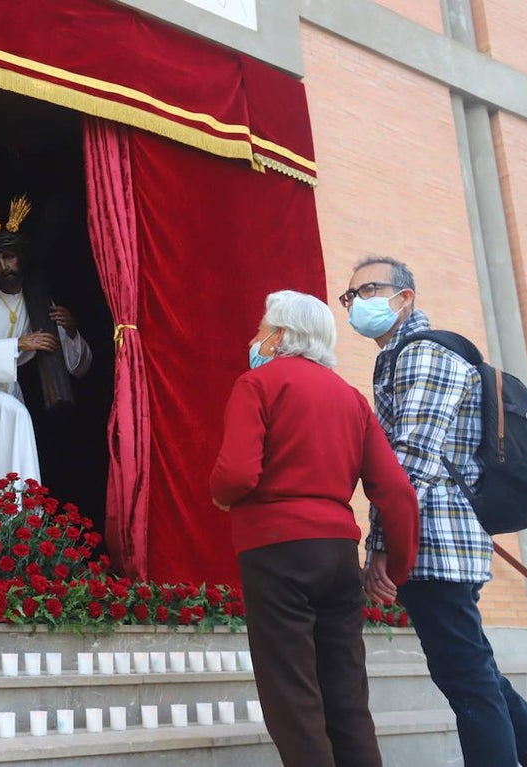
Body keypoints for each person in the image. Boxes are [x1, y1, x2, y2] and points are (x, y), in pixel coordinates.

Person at [345, 255, 527, 767]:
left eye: (369, 290)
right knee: (476, 671)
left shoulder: (422, 354)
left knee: (467, 678)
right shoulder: (397, 357)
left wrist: (381, 549)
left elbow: (409, 459)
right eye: (351, 297)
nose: (356, 304)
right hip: (439, 536)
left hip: (437, 541)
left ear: (405, 297)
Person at [210, 290, 419, 767]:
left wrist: (221, 496)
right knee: (346, 695)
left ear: (281, 336)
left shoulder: (258, 384)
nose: (255, 339)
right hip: (337, 552)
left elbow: (237, 473)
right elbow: (396, 492)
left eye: (262, 330)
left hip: (276, 549)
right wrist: (397, 567)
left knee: (293, 696)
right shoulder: (351, 399)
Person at [0, 195, 92, 500]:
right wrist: (19, 344)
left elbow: (78, 368)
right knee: (17, 417)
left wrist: (70, 330)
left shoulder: (36, 304)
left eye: (9, 257)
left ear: (20, 258)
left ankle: (14, 526)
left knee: (10, 441)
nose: (3, 266)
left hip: (6, 391)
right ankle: (24, 514)